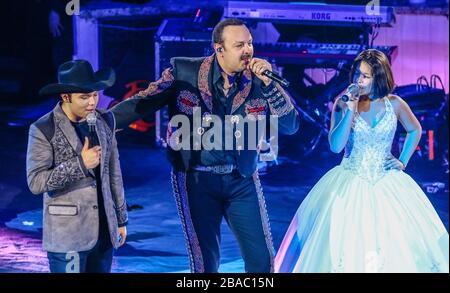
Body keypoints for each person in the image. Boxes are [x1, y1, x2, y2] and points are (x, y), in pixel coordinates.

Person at [111, 18, 300, 273]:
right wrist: (102, 121)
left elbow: (291, 126)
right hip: (197, 180)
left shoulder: (259, 81)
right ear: (218, 49)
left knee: (261, 261)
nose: (248, 50)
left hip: (241, 178)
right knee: (205, 263)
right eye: (239, 45)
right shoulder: (184, 72)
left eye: (250, 43)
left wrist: (269, 85)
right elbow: (143, 102)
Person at [274, 49, 449, 273]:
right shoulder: (342, 103)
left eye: (365, 75)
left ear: (380, 76)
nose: (359, 80)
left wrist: (402, 160)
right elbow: (336, 146)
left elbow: (415, 130)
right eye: (357, 74)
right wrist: (349, 110)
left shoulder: (394, 104)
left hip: (388, 181)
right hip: (350, 178)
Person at [26, 60, 128, 273]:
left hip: (103, 233)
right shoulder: (44, 128)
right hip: (68, 237)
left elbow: (113, 174)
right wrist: (81, 164)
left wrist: (120, 219)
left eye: (94, 95)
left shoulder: (105, 120)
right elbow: (36, 182)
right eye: (84, 97)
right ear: (65, 97)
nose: (92, 102)